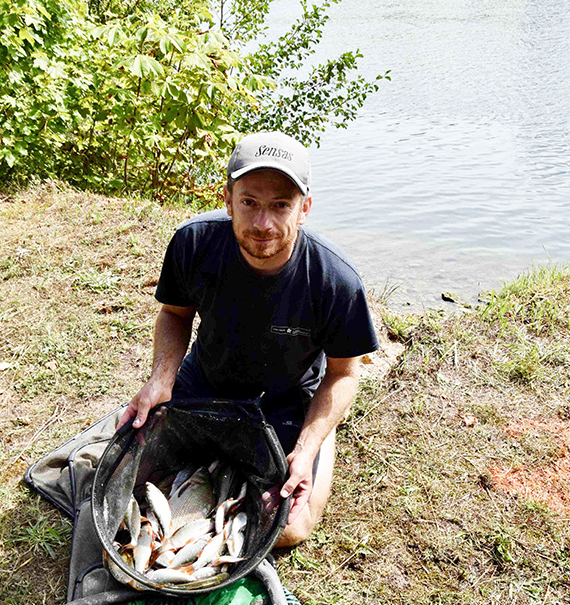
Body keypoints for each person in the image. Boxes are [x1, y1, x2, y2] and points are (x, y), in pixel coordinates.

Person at [120, 131, 379, 546]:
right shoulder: (195, 243)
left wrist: (307, 446)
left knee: (288, 528)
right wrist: (161, 379)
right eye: (249, 203)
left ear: (304, 209)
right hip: (206, 379)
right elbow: (174, 313)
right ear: (228, 200)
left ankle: (318, 435)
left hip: (287, 396)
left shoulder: (336, 279)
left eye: (281, 206)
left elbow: (344, 375)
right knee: (128, 491)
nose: (263, 224)